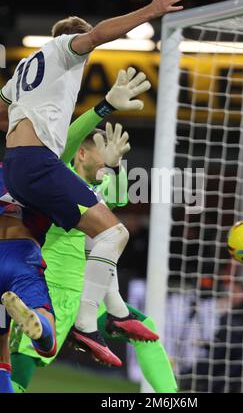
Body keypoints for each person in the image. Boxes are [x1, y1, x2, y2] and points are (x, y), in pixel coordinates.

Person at [0, 0, 185, 362]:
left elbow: (3, 114)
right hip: (37, 164)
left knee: (86, 228)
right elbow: (99, 33)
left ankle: (111, 312)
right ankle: (88, 322)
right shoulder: (66, 48)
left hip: (16, 166)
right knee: (115, 232)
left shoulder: (23, 71)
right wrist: (150, 10)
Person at [10, 122, 177, 393]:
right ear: (82, 154)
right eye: (102, 152)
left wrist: (115, 164)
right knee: (20, 372)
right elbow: (72, 135)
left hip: (86, 295)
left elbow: (120, 197)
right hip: (45, 291)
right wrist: (104, 107)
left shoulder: (105, 183)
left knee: (144, 331)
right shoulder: (56, 181)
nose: (106, 159)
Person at [0, 167, 57, 393]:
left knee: (1, 349)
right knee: (47, 338)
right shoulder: (47, 175)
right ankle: (40, 328)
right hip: (20, 257)